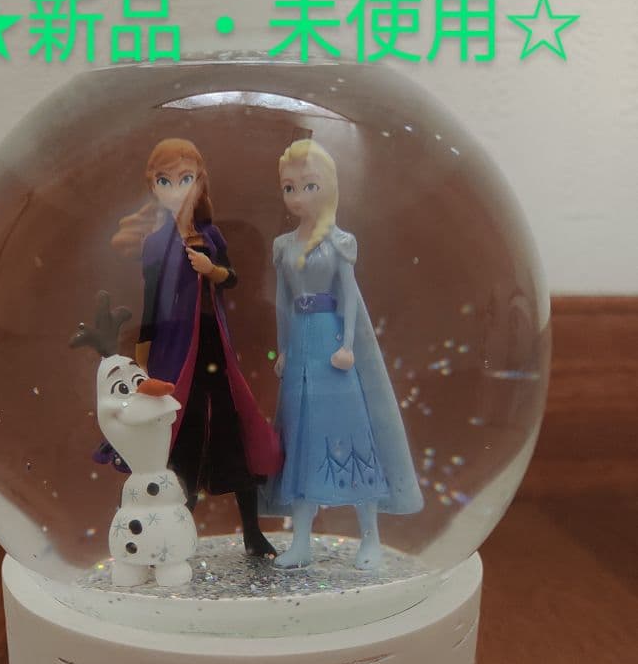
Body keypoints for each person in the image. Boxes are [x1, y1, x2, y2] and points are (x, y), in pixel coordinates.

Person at [110, 138, 281, 558]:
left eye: (185, 178)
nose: (176, 189)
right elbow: (151, 304)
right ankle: (174, 534)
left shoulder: (210, 235)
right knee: (180, 435)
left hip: (214, 347)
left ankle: (252, 532)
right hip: (174, 350)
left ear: (200, 183)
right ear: (153, 187)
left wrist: (212, 269)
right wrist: (143, 358)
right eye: (165, 180)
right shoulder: (155, 244)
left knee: (231, 429)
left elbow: (232, 278)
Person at [266, 138, 423, 569]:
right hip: (300, 346)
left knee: (350, 435)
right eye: (289, 187)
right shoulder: (284, 246)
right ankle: (301, 540)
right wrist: (283, 349)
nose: (297, 196)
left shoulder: (339, 242)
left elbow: (349, 295)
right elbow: (282, 303)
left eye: (309, 186)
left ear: (329, 187)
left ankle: (370, 537)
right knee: (299, 437)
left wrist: (349, 345)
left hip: (331, 342)